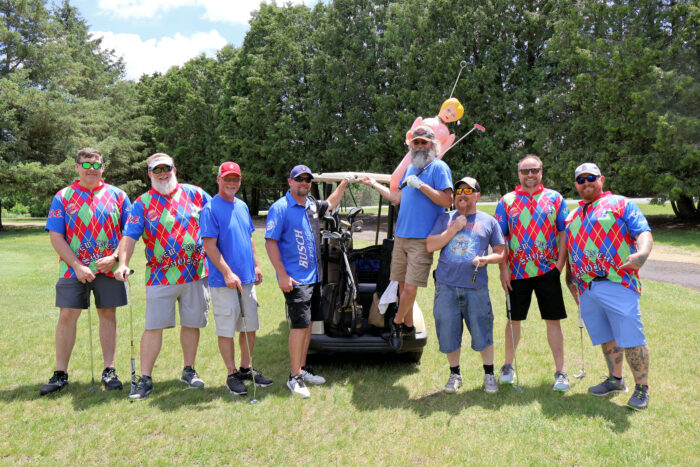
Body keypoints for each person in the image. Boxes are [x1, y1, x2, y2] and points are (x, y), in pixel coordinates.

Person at [114, 153, 211, 400]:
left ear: (174, 169)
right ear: (149, 174)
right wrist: (123, 263)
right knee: (153, 327)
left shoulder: (196, 194)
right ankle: (145, 378)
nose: (162, 174)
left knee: (192, 324)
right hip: (160, 276)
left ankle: (189, 370)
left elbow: (217, 220)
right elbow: (129, 236)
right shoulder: (142, 203)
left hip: (195, 274)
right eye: (157, 170)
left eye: (166, 168)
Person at [41, 148, 131, 395]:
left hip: (108, 269)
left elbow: (129, 233)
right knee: (67, 315)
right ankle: (60, 373)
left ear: (103, 167)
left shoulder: (118, 195)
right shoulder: (63, 196)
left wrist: (115, 258)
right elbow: (56, 236)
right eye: (87, 164)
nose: (92, 169)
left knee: (108, 314)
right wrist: (77, 265)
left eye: (97, 165)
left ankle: (109, 370)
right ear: (77, 167)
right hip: (73, 270)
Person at [565, 163, 653, 410]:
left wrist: (643, 253)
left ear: (601, 179)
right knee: (606, 336)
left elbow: (643, 232)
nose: (586, 183)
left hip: (617, 281)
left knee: (632, 337)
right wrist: (571, 282)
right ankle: (615, 379)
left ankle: (642, 388)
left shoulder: (620, 204)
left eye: (591, 177)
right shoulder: (573, 215)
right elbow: (571, 250)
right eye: (581, 180)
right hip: (587, 287)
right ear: (576, 185)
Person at [361, 125, 453, 350]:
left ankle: (395, 323)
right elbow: (397, 198)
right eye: (416, 143)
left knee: (410, 289)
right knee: (402, 287)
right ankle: (409, 327)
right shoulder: (411, 168)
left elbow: (446, 200)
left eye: (424, 142)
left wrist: (422, 186)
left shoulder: (439, 167)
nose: (420, 146)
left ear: (433, 145)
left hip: (422, 240)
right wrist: (374, 184)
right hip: (401, 237)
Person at [265, 165, 349, 398]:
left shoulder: (311, 204)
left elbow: (330, 203)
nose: (304, 183)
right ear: (290, 182)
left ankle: (302, 368)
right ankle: (294, 377)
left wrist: (344, 184)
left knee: (309, 324)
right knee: (299, 326)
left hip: (314, 277)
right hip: (295, 279)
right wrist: (282, 275)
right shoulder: (280, 207)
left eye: (307, 180)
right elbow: (270, 242)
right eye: (299, 179)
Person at [494, 154, 571, 391]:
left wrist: (559, 265)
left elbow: (563, 232)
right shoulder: (506, 201)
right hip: (517, 272)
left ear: (541, 172)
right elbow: (500, 238)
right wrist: (503, 269)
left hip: (548, 270)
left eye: (534, 170)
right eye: (525, 171)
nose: (530, 175)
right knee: (513, 320)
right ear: (519, 174)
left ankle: (560, 371)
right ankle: (508, 366)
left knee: (553, 320)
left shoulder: (555, 198)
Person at [427, 177, 506, 394]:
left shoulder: (489, 222)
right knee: (448, 331)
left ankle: (489, 374)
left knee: (483, 330)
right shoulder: (445, 218)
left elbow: (501, 253)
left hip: (476, 287)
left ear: (477, 196)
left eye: (468, 190)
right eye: (459, 191)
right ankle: (455, 374)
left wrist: (485, 259)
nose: (462, 194)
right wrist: (453, 228)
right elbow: (430, 245)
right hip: (446, 285)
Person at [200, 161, 272, 396]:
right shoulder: (210, 209)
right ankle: (231, 374)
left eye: (235, 179)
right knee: (227, 329)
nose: (232, 183)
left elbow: (249, 238)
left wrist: (256, 265)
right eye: (227, 178)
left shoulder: (241, 205)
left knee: (249, 326)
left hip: (247, 279)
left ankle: (245, 368)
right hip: (224, 282)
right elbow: (210, 246)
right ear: (219, 180)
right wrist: (227, 273)